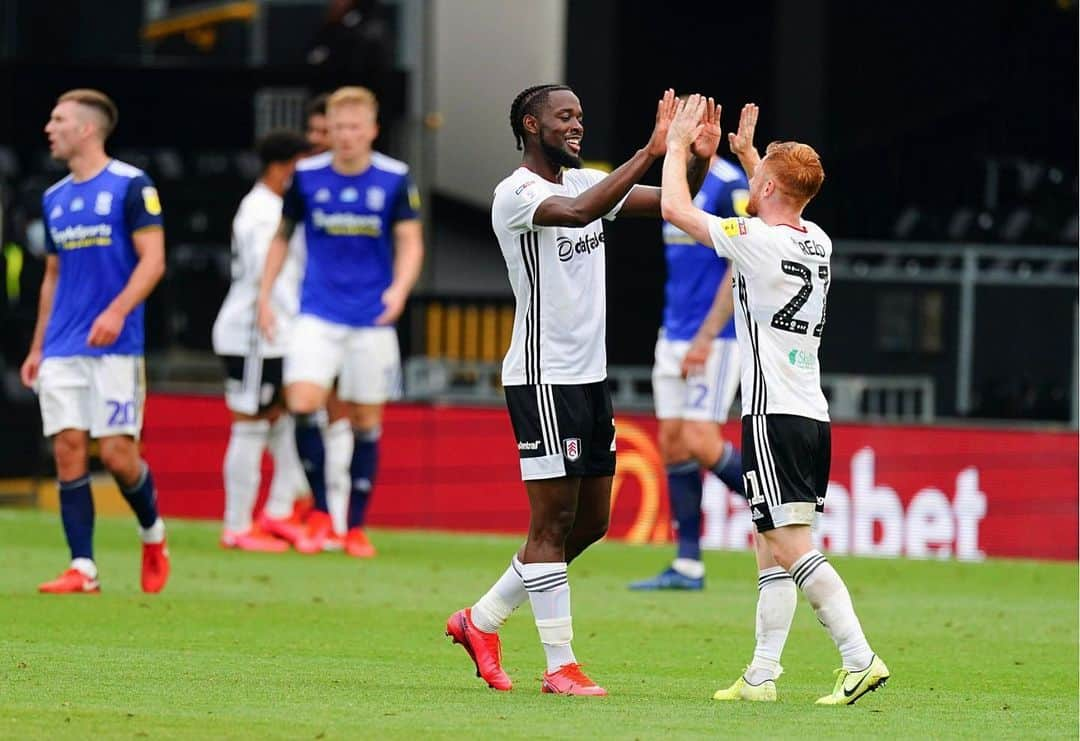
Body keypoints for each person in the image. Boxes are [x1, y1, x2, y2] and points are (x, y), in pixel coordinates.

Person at [445, 85, 719, 696]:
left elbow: (676, 200)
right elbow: (578, 215)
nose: (577, 127)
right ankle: (560, 666)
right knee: (551, 523)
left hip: (588, 380)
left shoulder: (582, 181)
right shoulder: (516, 194)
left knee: (591, 522)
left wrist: (691, 158)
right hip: (543, 377)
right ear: (530, 124)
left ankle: (481, 621)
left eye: (581, 118)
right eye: (565, 117)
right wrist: (650, 151)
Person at [661, 97, 889, 705]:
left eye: (758, 179)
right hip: (811, 412)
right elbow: (782, 196)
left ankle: (858, 656)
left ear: (764, 187)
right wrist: (747, 157)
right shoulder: (818, 239)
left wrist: (679, 143)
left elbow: (673, 208)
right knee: (770, 543)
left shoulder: (754, 241)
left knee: (790, 545)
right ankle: (762, 675)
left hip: (773, 414)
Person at [257, 85, 423, 558]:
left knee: (367, 418)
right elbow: (281, 236)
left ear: (371, 130)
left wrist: (399, 289)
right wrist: (265, 297)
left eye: (355, 127)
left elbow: (411, 240)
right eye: (338, 128)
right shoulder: (306, 176)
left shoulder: (394, 178)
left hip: (371, 317)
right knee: (302, 399)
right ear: (327, 130)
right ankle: (324, 513)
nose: (347, 136)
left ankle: (354, 526)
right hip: (318, 311)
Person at [20, 89, 170, 594]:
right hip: (64, 344)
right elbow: (52, 277)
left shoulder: (132, 185)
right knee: (67, 446)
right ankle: (82, 566)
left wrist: (116, 310)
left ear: (86, 129)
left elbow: (154, 260)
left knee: (118, 455)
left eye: (57, 119)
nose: (49, 128)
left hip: (116, 343)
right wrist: (39, 346)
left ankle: (153, 532)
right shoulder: (54, 197)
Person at [629, 154, 749, 591]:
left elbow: (742, 261)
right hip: (673, 331)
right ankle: (688, 565)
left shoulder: (728, 182)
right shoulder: (673, 179)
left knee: (701, 440)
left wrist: (706, 335)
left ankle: (772, 504)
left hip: (714, 338)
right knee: (673, 444)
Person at [212, 130, 311, 552]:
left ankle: (280, 508)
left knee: (278, 417)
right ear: (282, 167)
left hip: (276, 332)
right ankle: (236, 525)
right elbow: (261, 275)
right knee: (250, 422)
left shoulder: (273, 208)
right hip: (254, 332)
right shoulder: (261, 211)